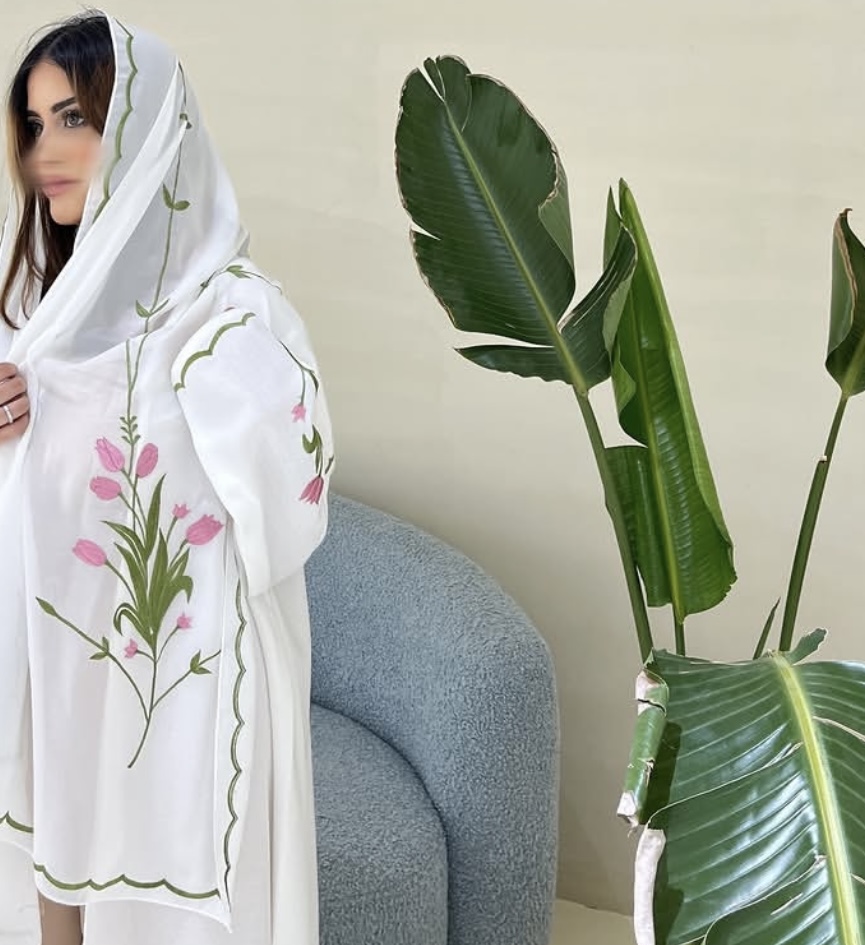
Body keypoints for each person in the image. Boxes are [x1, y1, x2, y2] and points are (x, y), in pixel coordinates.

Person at [0, 10, 333, 945]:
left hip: (189, 674)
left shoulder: (236, 316)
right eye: (33, 124)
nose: (45, 151)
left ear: (146, 130)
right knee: (49, 850)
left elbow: (294, 497)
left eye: (75, 118)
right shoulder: (30, 308)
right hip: (59, 655)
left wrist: (188, 392)